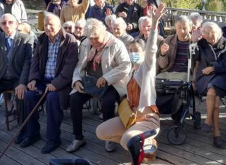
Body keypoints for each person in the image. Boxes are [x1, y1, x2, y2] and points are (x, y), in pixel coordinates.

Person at [96, 3, 166, 162]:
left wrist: (154, 23)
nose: (133, 53)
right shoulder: (130, 71)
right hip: (131, 117)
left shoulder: (146, 69)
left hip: (148, 119)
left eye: (136, 51)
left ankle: (148, 144)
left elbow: (152, 49)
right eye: (131, 51)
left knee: (126, 140)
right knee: (101, 132)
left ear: (143, 53)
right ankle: (140, 140)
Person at [67, 18, 131, 153]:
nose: (94, 42)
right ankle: (78, 137)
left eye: (96, 38)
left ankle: (110, 137)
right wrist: (77, 79)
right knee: (74, 100)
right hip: (90, 82)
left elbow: (125, 66)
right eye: (91, 38)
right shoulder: (86, 43)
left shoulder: (116, 44)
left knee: (108, 102)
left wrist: (106, 78)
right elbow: (80, 65)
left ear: (103, 32)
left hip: (111, 83)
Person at [19, 13, 78, 154]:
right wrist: (32, 79)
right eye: (45, 25)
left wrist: (55, 84)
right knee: (29, 96)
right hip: (42, 80)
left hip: (61, 82)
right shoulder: (42, 39)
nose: (48, 27)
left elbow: (69, 68)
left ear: (59, 25)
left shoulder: (70, 40)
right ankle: (32, 133)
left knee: (52, 98)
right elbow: (35, 61)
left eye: (51, 24)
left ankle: (53, 138)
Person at [193, 22, 226, 148]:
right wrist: (193, 42)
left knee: (212, 90)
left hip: (222, 76)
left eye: (213, 33)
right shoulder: (201, 44)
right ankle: (216, 134)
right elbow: (193, 59)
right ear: (203, 35)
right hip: (204, 77)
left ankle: (209, 121)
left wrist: (212, 68)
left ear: (219, 33)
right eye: (207, 33)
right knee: (214, 97)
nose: (210, 36)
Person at [0, 14, 33, 137]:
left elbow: (27, 63)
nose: (7, 25)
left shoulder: (25, 39)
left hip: (17, 78)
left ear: (16, 23)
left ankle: (22, 130)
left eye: (10, 22)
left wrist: (23, 83)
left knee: (22, 95)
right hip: (2, 78)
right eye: (3, 23)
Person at [157, 15, 193, 81]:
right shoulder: (169, 40)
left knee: (175, 85)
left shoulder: (194, 43)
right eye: (179, 27)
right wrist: (163, 54)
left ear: (190, 28)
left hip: (184, 73)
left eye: (184, 28)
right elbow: (162, 65)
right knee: (154, 83)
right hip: (168, 72)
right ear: (175, 27)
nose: (181, 31)